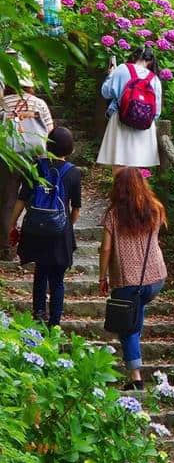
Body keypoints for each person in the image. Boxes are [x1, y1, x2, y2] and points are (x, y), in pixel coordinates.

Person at [98, 167, 167, 390]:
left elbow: (106, 249)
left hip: (128, 281)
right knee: (134, 315)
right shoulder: (155, 209)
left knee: (128, 328)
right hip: (156, 278)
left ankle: (136, 378)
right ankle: (135, 355)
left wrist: (102, 276)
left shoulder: (113, 215)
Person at [8, 127, 81, 326]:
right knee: (57, 279)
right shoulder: (73, 173)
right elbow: (76, 209)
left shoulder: (35, 166)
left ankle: (38, 315)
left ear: (47, 145)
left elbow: (22, 199)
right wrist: (67, 226)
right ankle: (55, 322)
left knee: (40, 273)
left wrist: (12, 224)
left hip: (37, 229)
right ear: (70, 149)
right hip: (59, 232)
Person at [0, 65, 54, 259]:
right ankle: (35, 246)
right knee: (36, 200)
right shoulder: (39, 104)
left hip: (9, 158)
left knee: (7, 200)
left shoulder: (3, 103)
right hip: (35, 157)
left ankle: (5, 247)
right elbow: (50, 130)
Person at [97, 46, 162, 175]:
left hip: (121, 118)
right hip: (144, 126)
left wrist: (111, 75)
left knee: (119, 163)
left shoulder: (122, 69)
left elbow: (105, 92)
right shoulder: (154, 79)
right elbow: (157, 111)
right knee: (137, 168)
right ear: (150, 61)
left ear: (134, 56)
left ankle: (119, 193)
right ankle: (134, 194)